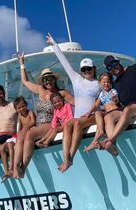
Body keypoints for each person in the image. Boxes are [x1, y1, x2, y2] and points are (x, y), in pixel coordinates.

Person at [12, 52, 74, 178]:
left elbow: (76, 103)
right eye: (45, 79)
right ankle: (14, 167)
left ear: (54, 79)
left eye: (50, 79)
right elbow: (25, 81)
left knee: (29, 134)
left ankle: (23, 168)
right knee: (22, 134)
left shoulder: (61, 93)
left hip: (50, 123)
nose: (47, 81)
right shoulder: (40, 90)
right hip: (37, 123)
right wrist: (22, 63)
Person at [46, 33, 101, 173]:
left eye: (89, 69)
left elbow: (106, 96)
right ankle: (66, 158)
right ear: (81, 71)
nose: (87, 71)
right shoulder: (77, 79)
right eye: (84, 69)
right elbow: (65, 63)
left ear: (94, 69)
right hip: (78, 117)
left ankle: (71, 158)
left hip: (92, 115)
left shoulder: (98, 83)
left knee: (76, 123)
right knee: (68, 125)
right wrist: (54, 44)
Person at [100, 40, 136, 156]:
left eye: (114, 64)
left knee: (127, 110)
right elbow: (121, 103)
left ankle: (110, 140)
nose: (113, 68)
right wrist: (116, 101)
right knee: (108, 117)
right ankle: (113, 146)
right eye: (109, 68)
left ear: (119, 62)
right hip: (129, 109)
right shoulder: (115, 84)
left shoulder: (135, 68)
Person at [0, 96, 35, 183]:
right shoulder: (19, 115)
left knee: (13, 144)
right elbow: (19, 128)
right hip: (21, 133)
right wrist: (18, 134)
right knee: (5, 146)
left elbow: (33, 122)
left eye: (23, 106)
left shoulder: (30, 112)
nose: (22, 109)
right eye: (19, 108)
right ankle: (8, 169)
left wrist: (27, 127)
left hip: (28, 131)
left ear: (26, 105)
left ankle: (14, 167)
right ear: (16, 109)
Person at [82, 72, 120, 152]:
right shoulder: (101, 94)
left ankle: (95, 141)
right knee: (97, 112)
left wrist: (114, 99)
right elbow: (96, 105)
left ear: (111, 83)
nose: (106, 84)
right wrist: (89, 113)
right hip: (107, 113)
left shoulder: (113, 91)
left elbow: (117, 101)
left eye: (108, 82)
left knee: (103, 117)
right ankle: (101, 133)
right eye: (104, 82)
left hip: (114, 112)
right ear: (100, 83)